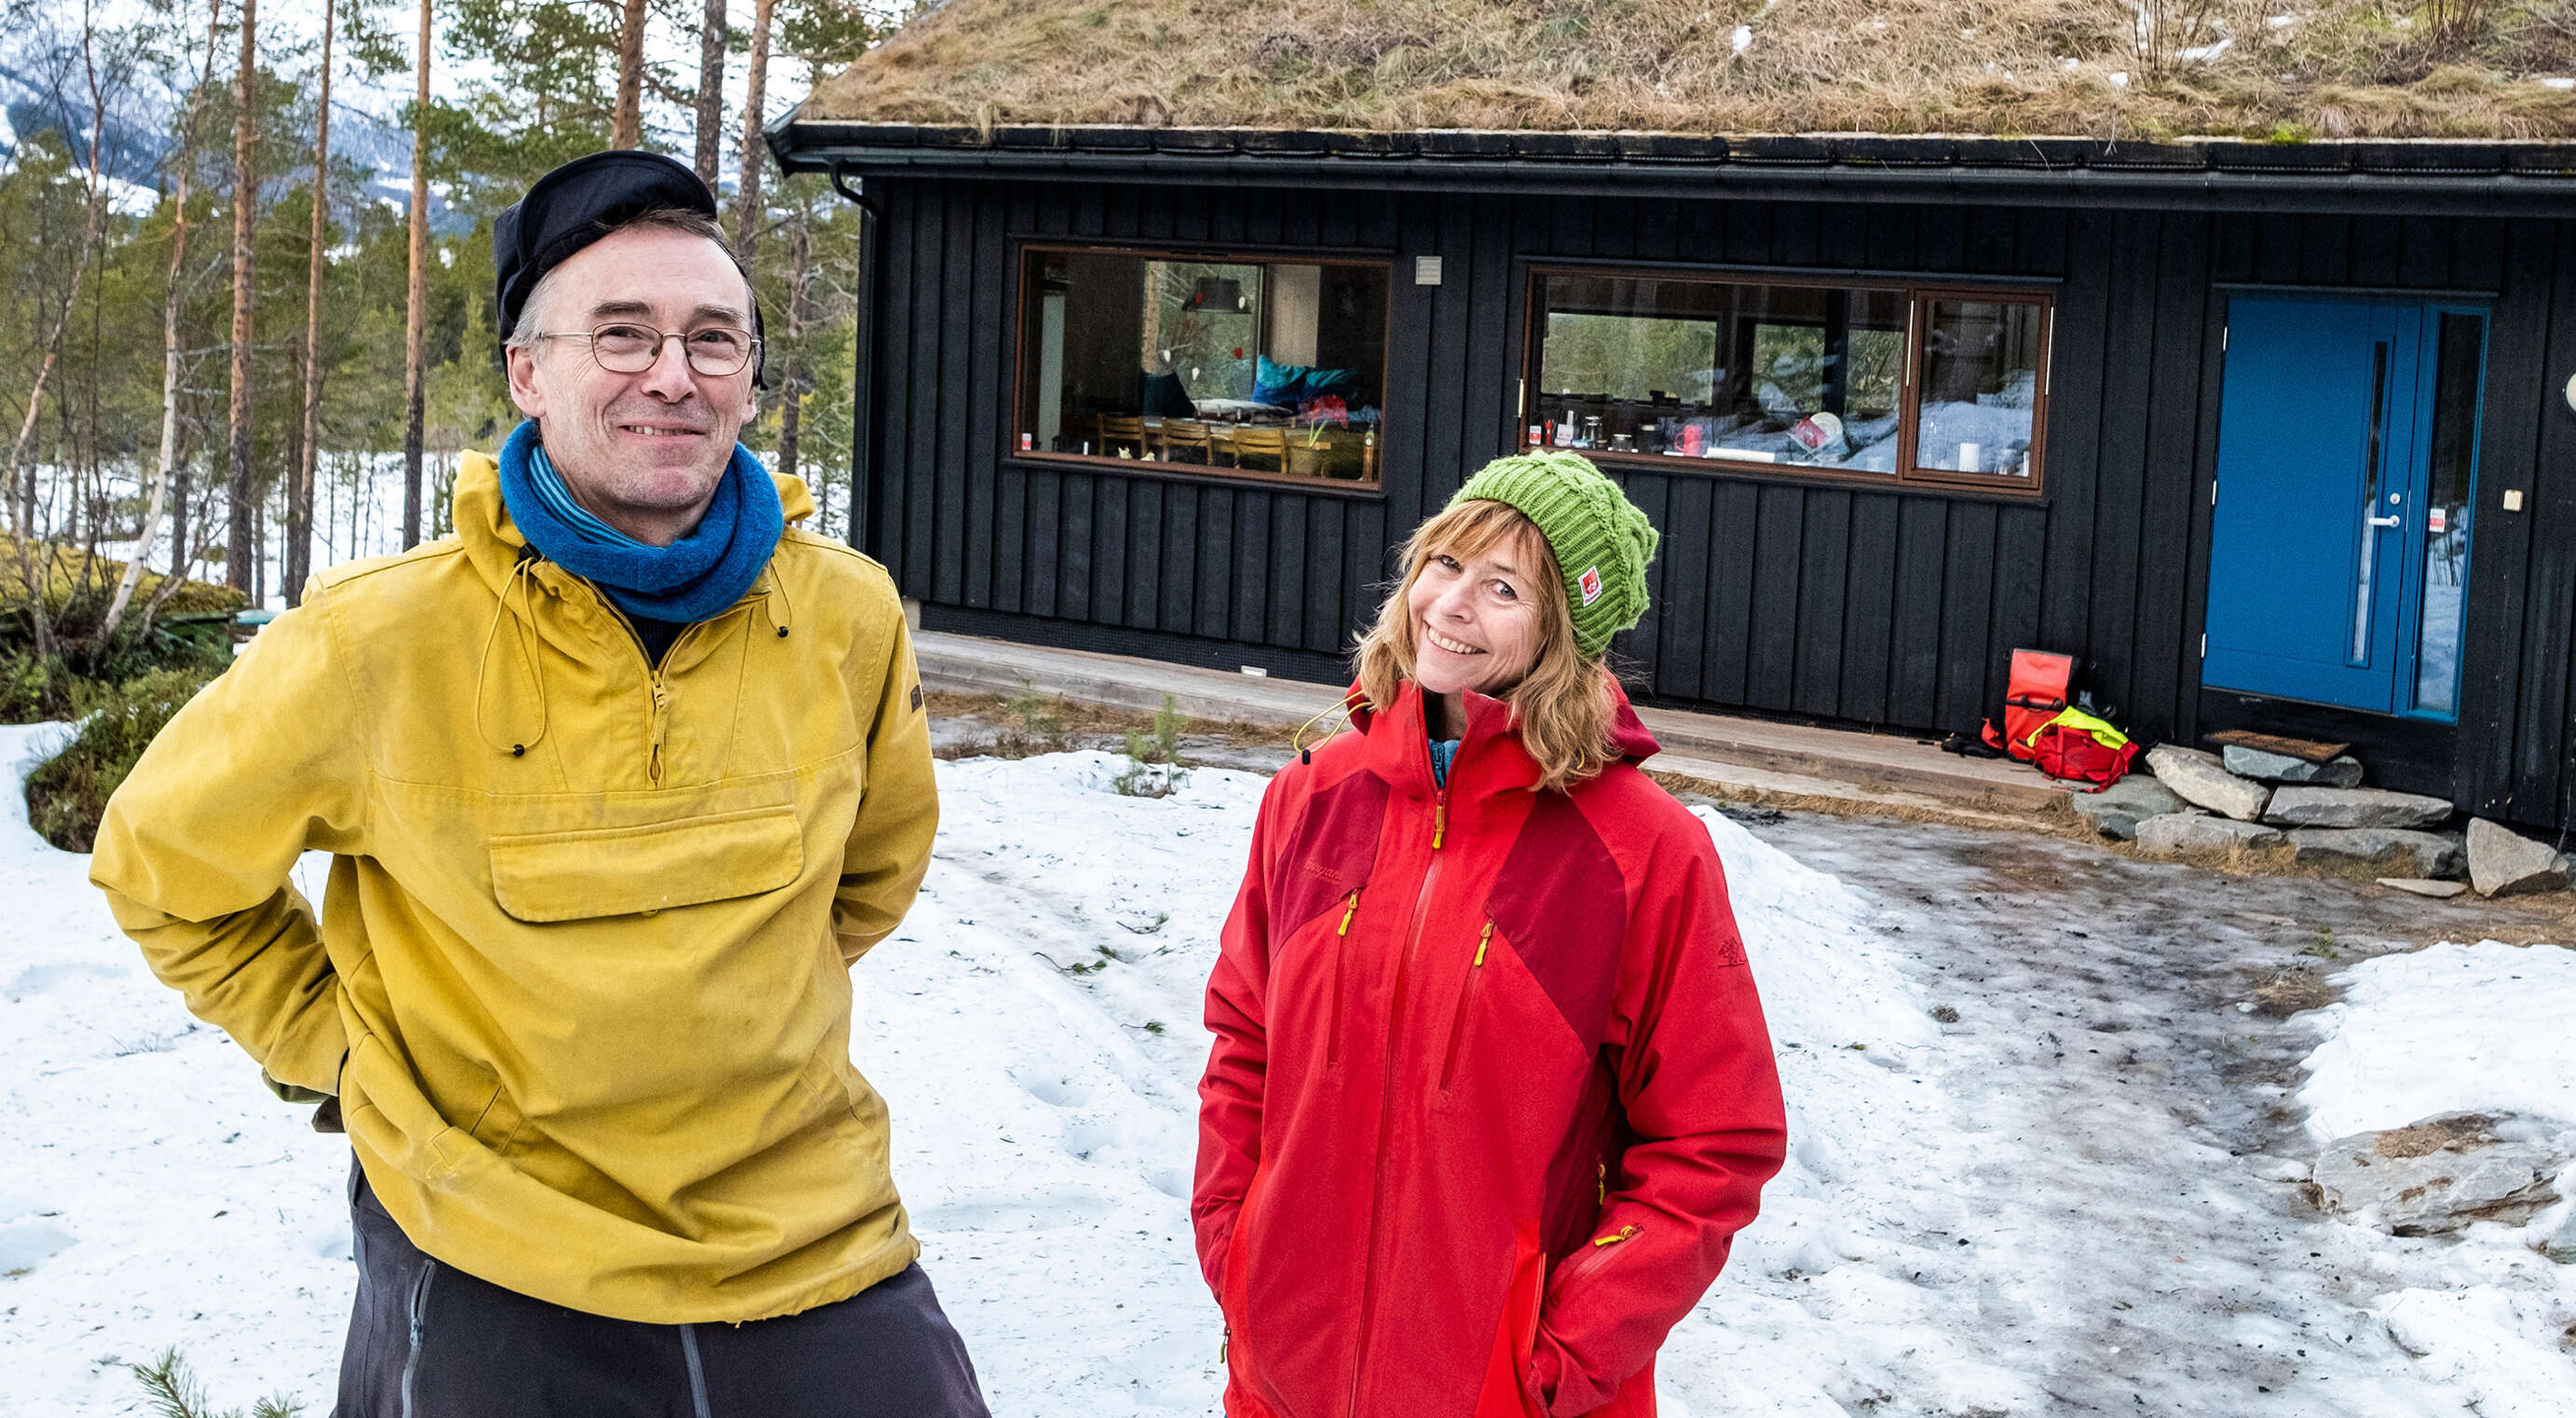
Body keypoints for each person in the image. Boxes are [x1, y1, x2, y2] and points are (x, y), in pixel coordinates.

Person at [89, 151, 988, 1418]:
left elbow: (871, 871)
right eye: (621, 335)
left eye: (712, 339)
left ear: (747, 375)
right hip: (489, 1251)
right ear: (527, 372)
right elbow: (162, 869)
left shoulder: (845, 612)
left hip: (815, 1240)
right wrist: (344, 1052)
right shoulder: (376, 638)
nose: (672, 375)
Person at [1193, 451, 1789, 1418]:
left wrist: (1553, 1357)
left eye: (1503, 587)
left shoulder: (1639, 852)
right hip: (1283, 1380)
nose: (1451, 604)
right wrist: (1236, 1246)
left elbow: (1715, 1141)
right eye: (1444, 563)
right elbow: (1242, 1047)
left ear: (1562, 635)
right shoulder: (1312, 797)